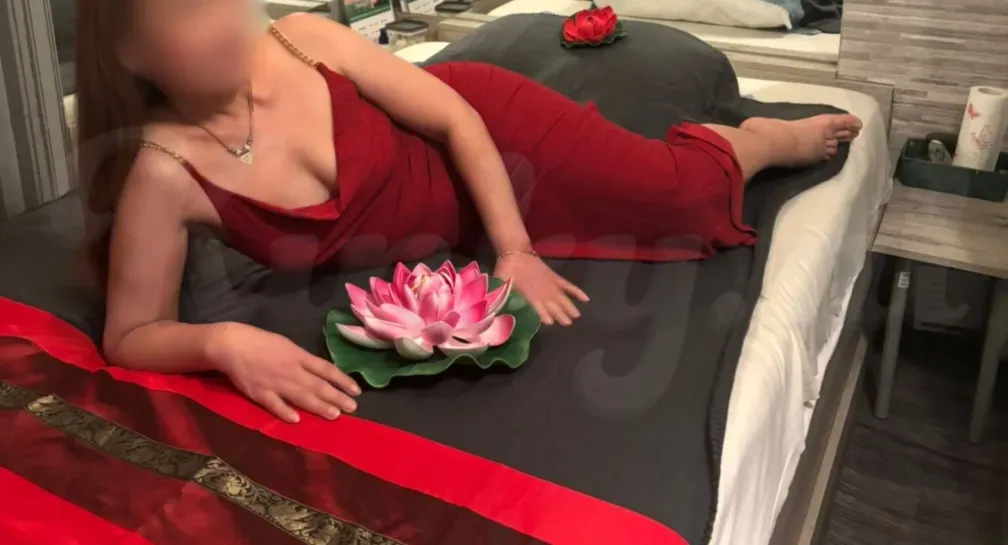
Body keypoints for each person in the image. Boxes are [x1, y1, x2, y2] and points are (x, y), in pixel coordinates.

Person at [75, 0, 862, 424]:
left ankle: (756, 139)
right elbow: (130, 333)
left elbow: (457, 119)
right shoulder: (162, 172)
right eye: (185, 11)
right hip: (454, 228)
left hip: (493, 137)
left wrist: (514, 250)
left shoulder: (302, 39)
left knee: (679, 195)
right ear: (130, 52)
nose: (223, 18)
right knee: (644, 197)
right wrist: (223, 342)